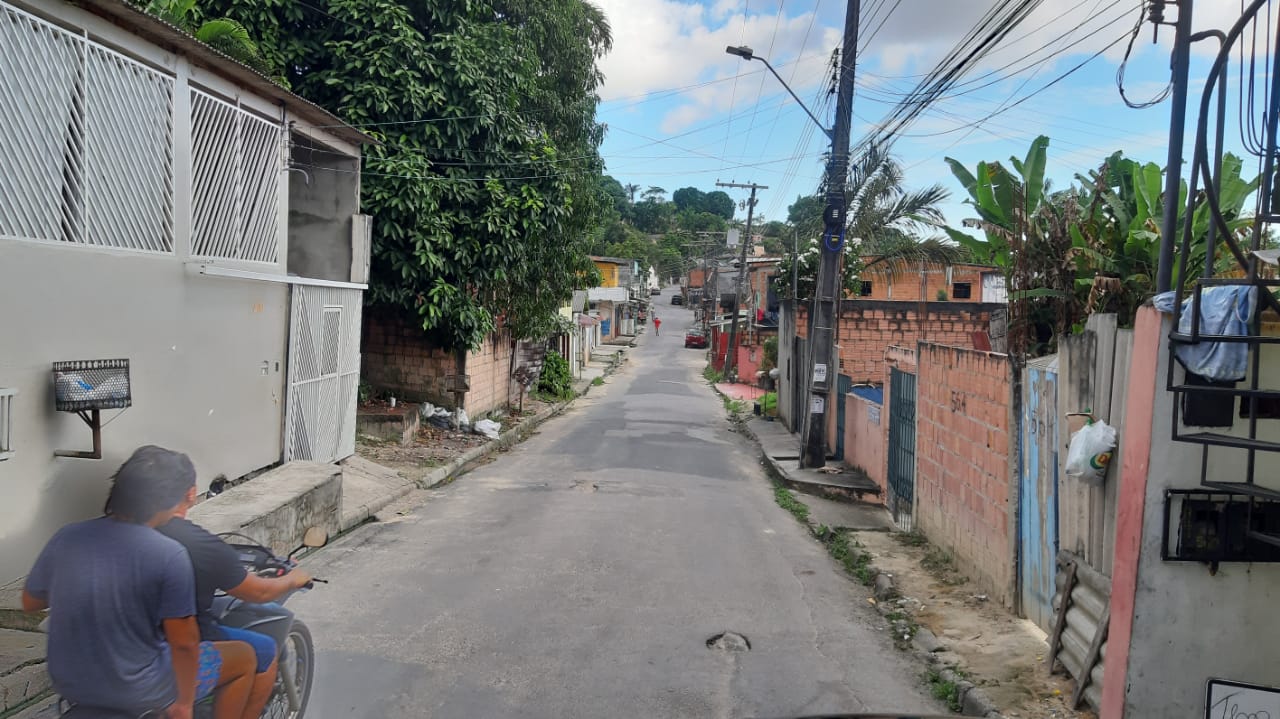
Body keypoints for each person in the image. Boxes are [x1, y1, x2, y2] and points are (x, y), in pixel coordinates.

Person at [22, 446, 258, 719]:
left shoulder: (68, 537)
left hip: (74, 684)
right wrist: (183, 703)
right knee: (244, 656)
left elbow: (31, 601)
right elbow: (184, 642)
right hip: (141, 688)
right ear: (167, 502)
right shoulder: (167, 554)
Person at [158, 486, 313, 717]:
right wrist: (292, 580)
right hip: (168, 653)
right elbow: (257, 592)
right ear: (191, 493)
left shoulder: (125, 534)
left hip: (133, 646)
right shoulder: (196, 542)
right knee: (261, 651)